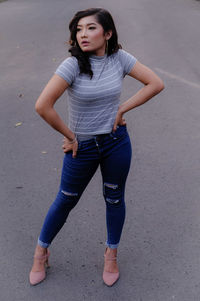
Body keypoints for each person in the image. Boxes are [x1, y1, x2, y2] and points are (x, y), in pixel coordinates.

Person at [29, 7, 164, 287]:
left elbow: (155, 83)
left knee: (114, 199)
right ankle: (41, 252)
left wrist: (122, 108)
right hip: (83, 147)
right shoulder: (73, 65)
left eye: (90, 28)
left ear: (108, 33)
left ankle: (111, 254)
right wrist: (70, 135)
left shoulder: (119, 59)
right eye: (78, 29)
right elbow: (43, 106)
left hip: (116, 143)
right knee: (66, 199)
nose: (83, 34)